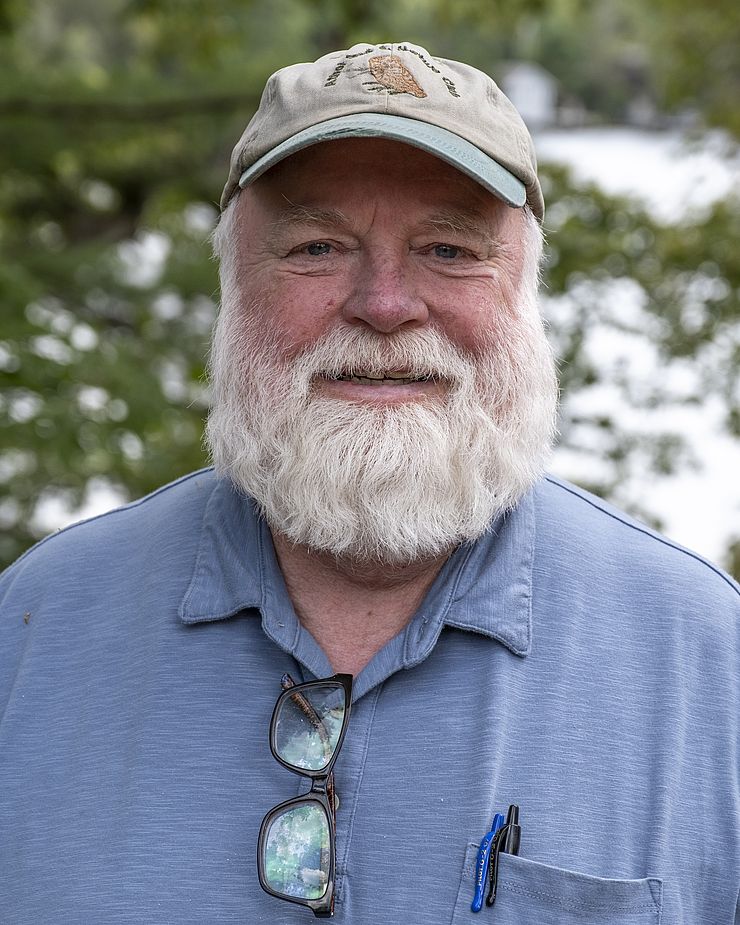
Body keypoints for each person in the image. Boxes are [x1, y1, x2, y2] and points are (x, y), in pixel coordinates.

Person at [0, 41, 737, 925]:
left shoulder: (709, 663)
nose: (386, 303)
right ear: (232, 288)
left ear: (526, 294)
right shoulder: (31, 633)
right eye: (317, 246)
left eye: (450, 249)